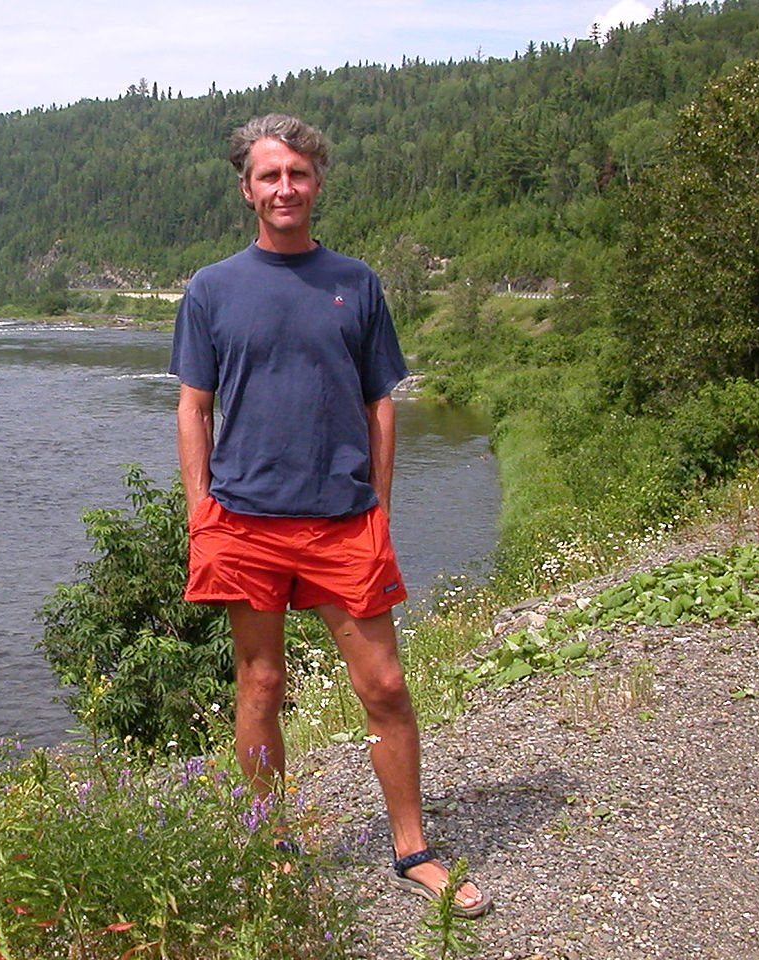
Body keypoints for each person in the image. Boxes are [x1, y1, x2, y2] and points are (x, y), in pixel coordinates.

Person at [168, 113, 491, 917]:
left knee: (384, 684)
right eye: (270, 175)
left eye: (299, 174)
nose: (285, 188)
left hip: (343, 519)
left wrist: (379, 504)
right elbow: (191, 408)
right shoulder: (211, 288)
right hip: (242, 521)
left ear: (318, 184)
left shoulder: (358, 281)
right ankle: (269, 844)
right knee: (262, 682)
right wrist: (200, 514)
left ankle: (413, 849)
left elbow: (382, 403)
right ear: (246, 189)